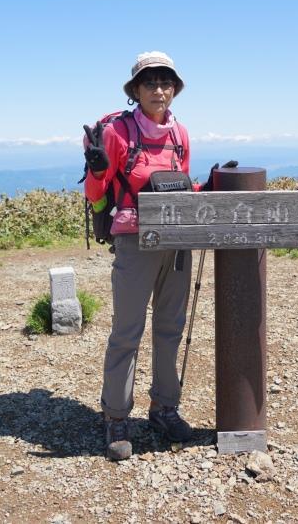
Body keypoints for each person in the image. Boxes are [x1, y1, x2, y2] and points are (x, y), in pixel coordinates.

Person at [83, 51, 205, 461]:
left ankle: (164, 409)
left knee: (171, 326)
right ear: (136, 90)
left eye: (166, 82)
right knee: (127, 330)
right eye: (150, 82)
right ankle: (116, 417)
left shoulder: (180, 134)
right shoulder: (118, 132)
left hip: (176, 241)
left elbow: (180, 185)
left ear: (175, 90)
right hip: (134, 242)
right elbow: (96, 194)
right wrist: (97, 171)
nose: (159, 89)